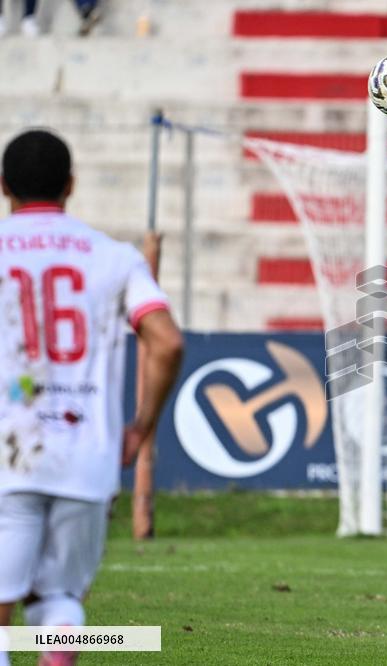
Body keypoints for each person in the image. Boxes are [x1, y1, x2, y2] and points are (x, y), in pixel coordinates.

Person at [0, 129, 184, 665]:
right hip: (88, 455)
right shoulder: (114, 256)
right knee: (59, 601)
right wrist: (141, 427)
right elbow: (167, 341)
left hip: (10, 451)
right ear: (71, 185)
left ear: (4, 185)